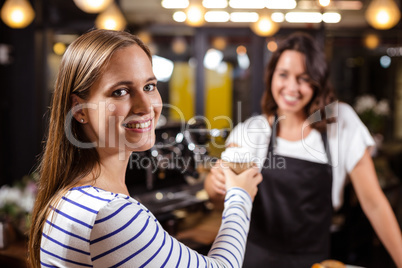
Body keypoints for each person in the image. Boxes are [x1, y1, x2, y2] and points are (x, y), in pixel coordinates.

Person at [28, 29, 262, 268]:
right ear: (80, 110)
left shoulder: (71, 197)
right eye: (120, 92)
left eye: (149, 86)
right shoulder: (110, 214)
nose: (145, 106)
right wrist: (240, 197)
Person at [204, 32, 402, 268]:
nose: (292, 87)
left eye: (303, 78)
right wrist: (216, 184)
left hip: (313, 262)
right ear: (271, 77)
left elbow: (374, 203)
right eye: (283, 75)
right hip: (254, 258)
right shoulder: (253, 131)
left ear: (318, 82)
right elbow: (217, 196)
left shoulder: (341, 122)